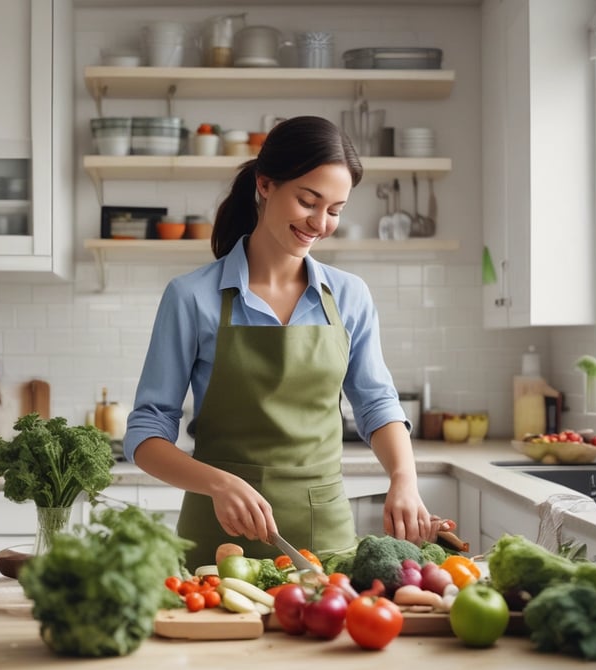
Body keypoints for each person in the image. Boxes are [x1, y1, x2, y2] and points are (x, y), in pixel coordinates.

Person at [124, 115, 445, 570]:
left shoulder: (349, 296)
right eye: (308, 201)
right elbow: (145, 431)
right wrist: (217, 483)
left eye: (334, 210)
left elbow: (376, 403)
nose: (320, 222)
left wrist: (404, 479)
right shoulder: (191, 296)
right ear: (265, 184)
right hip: (217, 544)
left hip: (323, 539)